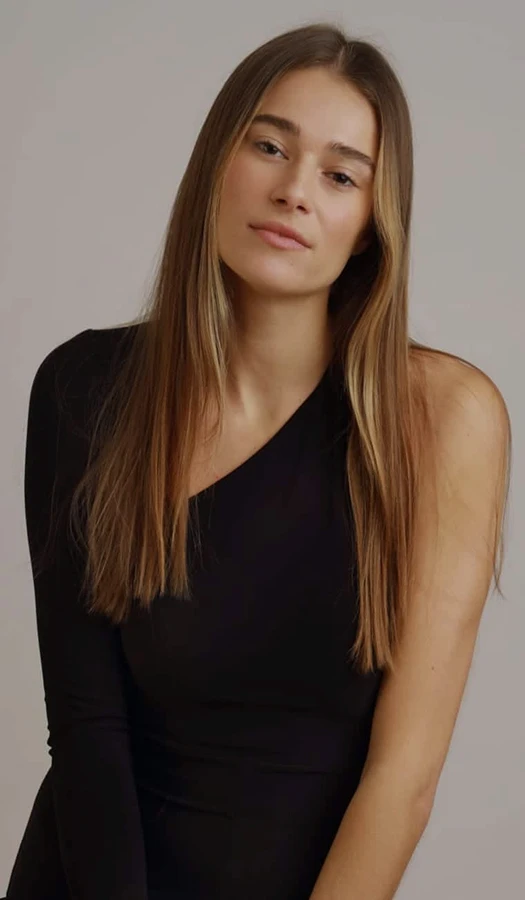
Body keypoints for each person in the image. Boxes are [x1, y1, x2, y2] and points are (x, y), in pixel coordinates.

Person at [5, 20, 511, 900]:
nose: (294, 192)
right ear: (214, 166)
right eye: (269, 145)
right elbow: (86, 728)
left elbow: (403, 781)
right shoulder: (83, 385)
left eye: (340, 173)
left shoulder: (442, 420)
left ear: (369, 226)